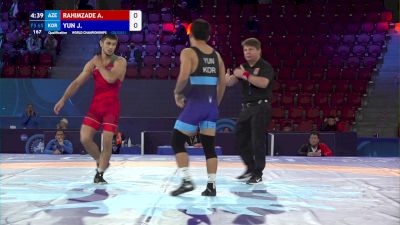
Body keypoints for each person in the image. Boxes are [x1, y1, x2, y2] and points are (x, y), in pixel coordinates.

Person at [54, 34, 127, 184]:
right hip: (95, 106)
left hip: (111, 108)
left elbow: (111, 79)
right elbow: (77, 83)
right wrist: (63, 99)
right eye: (108, 44)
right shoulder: (91, 63)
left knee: (106, 140)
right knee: (85, 138)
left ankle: (99, 173)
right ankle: (101, 162)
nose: (111, 47)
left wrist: (99, 64)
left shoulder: (120, 62)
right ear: (101, 43)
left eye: (114, 44)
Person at [170, 19, 226, 196]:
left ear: (190, 33)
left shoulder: (188, 52)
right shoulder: (217, 56)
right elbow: (222, 83)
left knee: (177, 141)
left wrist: (177, 93)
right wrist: (215, 104)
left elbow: (183, 76)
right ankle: (211, 186)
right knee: (209, 146)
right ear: (208, 36)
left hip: (196, 105)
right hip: (211, 107)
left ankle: (186, 181)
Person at [225, 37, 275, 184]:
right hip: (246, 108)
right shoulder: (243, 66)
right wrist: (227, 79)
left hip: (261, 106)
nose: (247, 52)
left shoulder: (266, 67)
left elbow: (263, 83)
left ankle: (258, 172)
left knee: (257, 141)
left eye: (251, 49)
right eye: (245, 50)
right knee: (240, 138)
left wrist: (245, 75)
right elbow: (231, 82)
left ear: (259, 50)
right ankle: (250, 167)